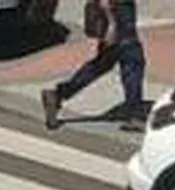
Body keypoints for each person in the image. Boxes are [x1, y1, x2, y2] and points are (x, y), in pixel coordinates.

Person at [40, 0, 147, 132]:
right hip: (118, 12)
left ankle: (58, 95)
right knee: (133, 61)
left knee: (104, 63)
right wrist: (111, 22)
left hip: (120, 11)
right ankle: (135, 114)